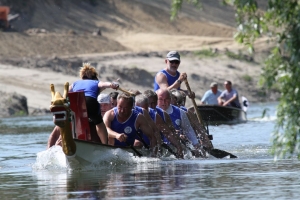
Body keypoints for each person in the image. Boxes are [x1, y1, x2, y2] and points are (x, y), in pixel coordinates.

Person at [69, 63, 119, 144]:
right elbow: (103, 84)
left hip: (75, 102)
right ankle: (104, 144)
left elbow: (66, 92)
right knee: (99, 123)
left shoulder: (75, 83)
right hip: (90, 101)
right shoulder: (95, 82)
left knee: (75, 122)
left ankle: (74, 141)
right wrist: (111, 85)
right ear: (94, 77)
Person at [135, 94, 184, 158]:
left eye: (146, 109)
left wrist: (178, 147)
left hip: (151, 144)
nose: (145, 112)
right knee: (137, 143)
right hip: (136, 144)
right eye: (142, 110)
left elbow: (167, 133)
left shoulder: (154, 115)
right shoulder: (131, 113)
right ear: (136, 106)